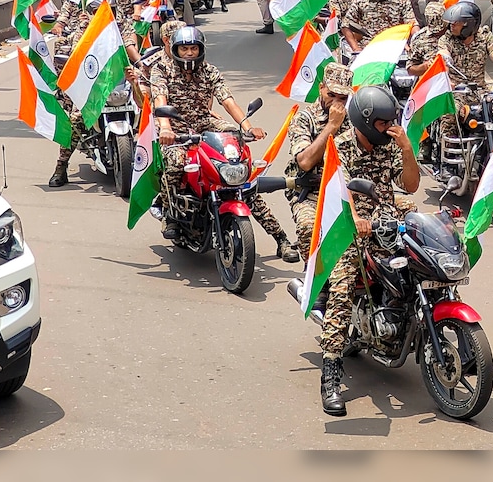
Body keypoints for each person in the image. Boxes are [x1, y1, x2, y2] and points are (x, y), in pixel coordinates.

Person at [318, 85, 420, 416]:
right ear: (364, 122)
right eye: (383, 123)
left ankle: (462, 347)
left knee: (427, 264)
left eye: (392, 121)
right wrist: (357, 218)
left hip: (386, 222)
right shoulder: (342, 145)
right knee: (343, 288)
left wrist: (406, 148)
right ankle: (331, 374)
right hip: (352, 225)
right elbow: (340, 186)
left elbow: (410, 185)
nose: (390, 127)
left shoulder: (391, 145)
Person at [151, 27, 295, 260]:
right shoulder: (161, 70)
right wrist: (166, 128)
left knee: (239, 173)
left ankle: (282, 239)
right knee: (176, 163)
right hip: (176, 130)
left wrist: (247, 128)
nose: (189, 53)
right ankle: (170, 214)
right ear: (176, 50)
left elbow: (227, 100)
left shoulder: (209, 71)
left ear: (201, 50)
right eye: (184, 48)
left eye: (193, 48)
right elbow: (160, 99)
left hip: (206, 125)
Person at [47, 0, 141, 188]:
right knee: (75, 121)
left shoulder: (121, 25)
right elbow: (77, 53)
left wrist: (141, 63)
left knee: (151, 109)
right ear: (91, 12)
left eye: (110, 10)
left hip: (118, 80)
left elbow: (130, 44)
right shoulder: (84, 28)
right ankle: (61, 167)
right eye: (99, 11)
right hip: (92, 84)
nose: (105, 14)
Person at [428, 2, 493, 150]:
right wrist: (447, 80)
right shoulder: (446, 38)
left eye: (457, 23)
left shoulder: (484, 36)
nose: (452, 26)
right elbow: (443, 57)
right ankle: (449, 158)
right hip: (456, 90)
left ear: (469, 25)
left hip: (481, 89)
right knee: (450, 114)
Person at [286, 64, 353, 264]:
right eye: (332, 94)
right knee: (309, 226)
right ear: (321, 88)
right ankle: (316, 279)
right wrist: (332, 126)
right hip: (312, 191)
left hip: (348, 189)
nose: (337, 103)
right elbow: (305, 162)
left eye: (343, 98)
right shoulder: (304, 119)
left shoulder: (353, 118)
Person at [407, 2, 449, 77]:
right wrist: (425, 66)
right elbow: (410, 69)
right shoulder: (419, 38)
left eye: (442, 30)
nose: (439, 33)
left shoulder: (455, 33)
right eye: (435, 32)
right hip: (432, 83)